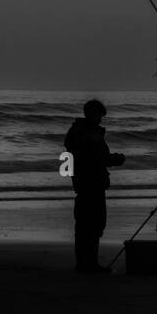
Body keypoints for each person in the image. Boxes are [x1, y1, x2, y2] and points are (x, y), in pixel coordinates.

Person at [63, 99, 126, 273]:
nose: (100, 120)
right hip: (91, 184)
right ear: (93, 114)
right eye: (99, 116)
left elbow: (72, 159)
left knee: (86, 225)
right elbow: (97, 159)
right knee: (93, 225)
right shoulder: (87, 133)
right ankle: (88, 264)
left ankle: (85, 264)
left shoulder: (76, 132)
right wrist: (117, 159)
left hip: (84, 184)